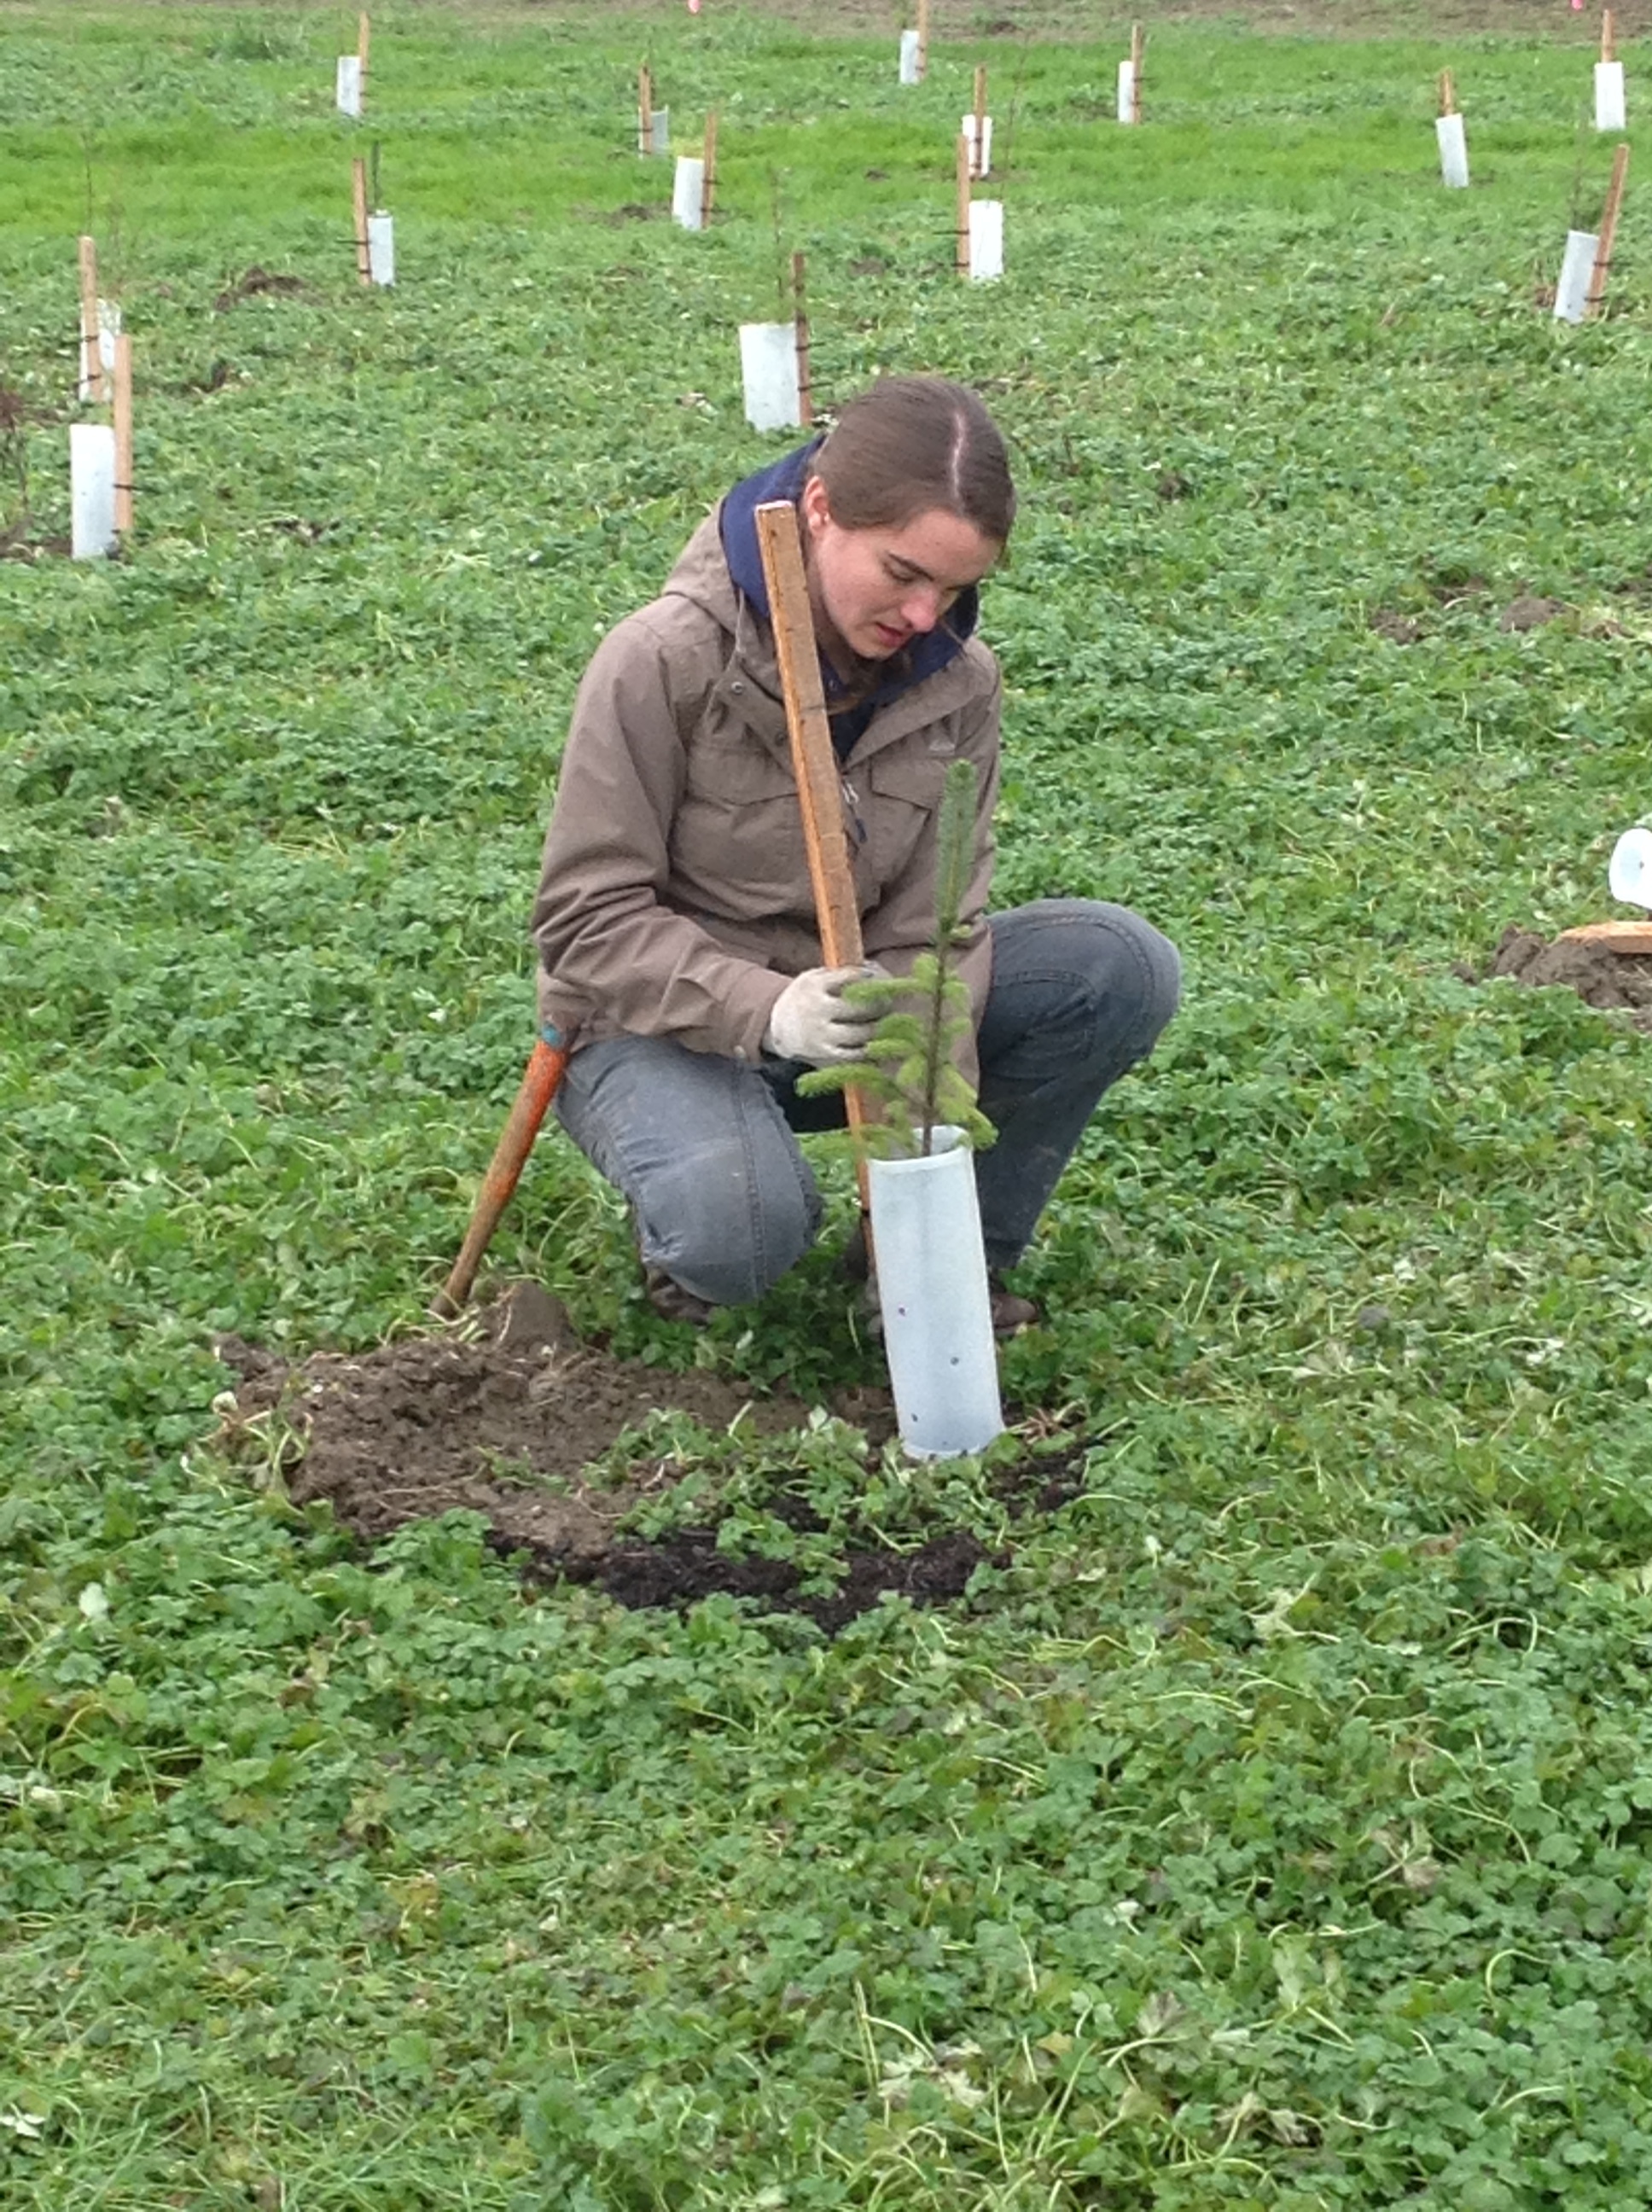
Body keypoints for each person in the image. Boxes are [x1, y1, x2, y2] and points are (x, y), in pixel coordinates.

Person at [531, 375, 1179, 1329]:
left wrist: (922, 1156)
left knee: (1115, 967)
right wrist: (768, 1008)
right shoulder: (662, 660)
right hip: (659, 1028)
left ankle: (948, 1268)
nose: (926, 617)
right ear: (821, 512)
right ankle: (699, 1230)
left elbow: (935, 926)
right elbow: (585, 922)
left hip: (859, 1010)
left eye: (957, 590)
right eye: (904, 574)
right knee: (741, 1225)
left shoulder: (956, 685)